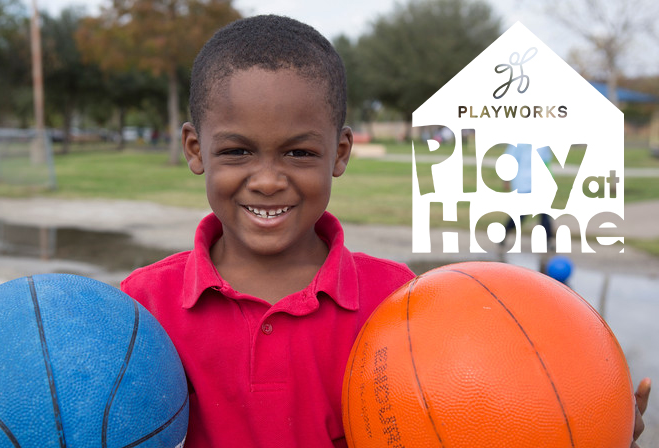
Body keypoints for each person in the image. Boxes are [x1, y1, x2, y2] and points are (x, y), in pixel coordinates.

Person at [121, 14, 650, 448]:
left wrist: (585, 424)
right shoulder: (139, 311)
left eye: (299, 153)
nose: (267, 179)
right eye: (237, 151)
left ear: (340, 153)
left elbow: (477, 417)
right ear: (195, 149)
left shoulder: (403, 306)